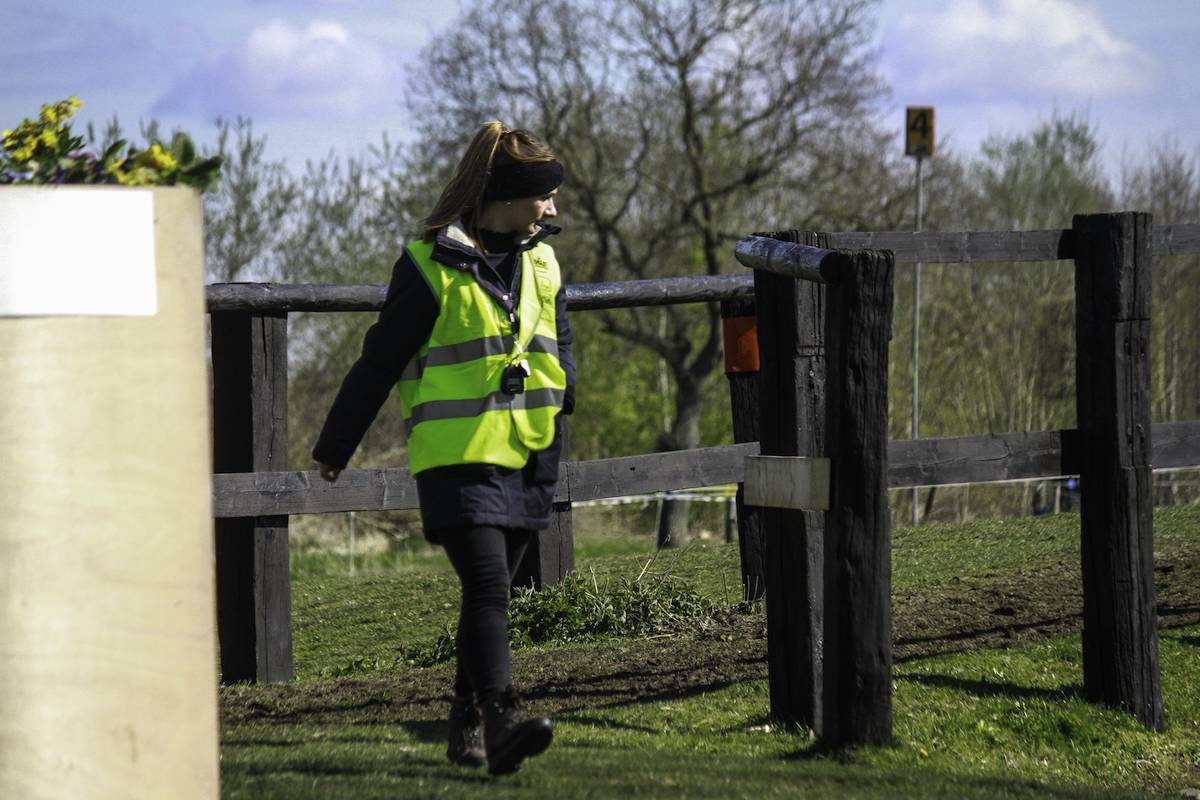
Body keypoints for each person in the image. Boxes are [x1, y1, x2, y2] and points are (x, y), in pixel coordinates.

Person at [312, 121, 574, 776]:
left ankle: (467, 724)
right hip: (456, 457)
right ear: (507, 195)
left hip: (530, 453)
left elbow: (559, 341)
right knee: (487, 583)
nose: (551, 210)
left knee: (492, 594)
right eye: (543, 196)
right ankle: (503, 719)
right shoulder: (427, 268)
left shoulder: (543, 262)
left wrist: (564, 397)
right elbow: (379, 362)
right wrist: (336, 445)